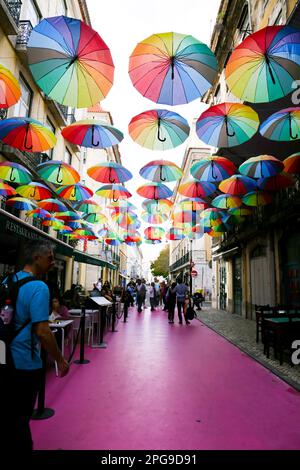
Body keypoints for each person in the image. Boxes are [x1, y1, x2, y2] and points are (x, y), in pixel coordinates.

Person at [3, 240, 69, 456]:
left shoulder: (7, 281)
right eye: (50, 258)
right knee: (21, 418)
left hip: (4, 357)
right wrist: (59, 359)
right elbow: (42, 330)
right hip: (25, 362)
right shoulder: (39, 287)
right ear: (36, 258)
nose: (53, 262)